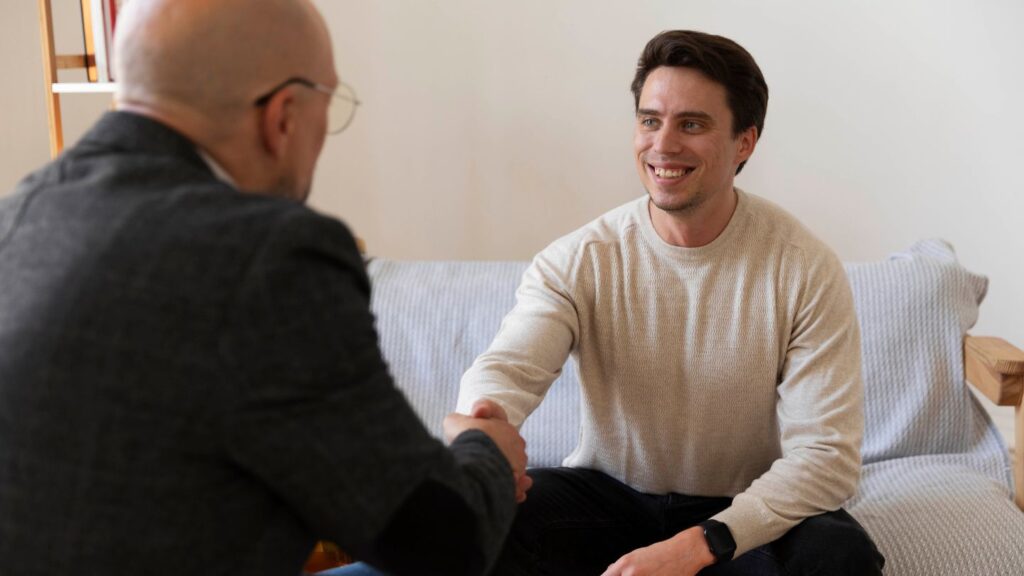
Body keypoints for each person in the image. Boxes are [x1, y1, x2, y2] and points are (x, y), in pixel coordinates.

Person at [0, 1, 528, 575]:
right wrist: (488, 454)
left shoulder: (17, 216)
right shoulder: (268, 258)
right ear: (284, 117)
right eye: (332, 108)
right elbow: (441, 543)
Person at [457, 30, 886, 575]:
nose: (662, 145)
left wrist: (697, 547)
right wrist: (481, 421)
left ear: (745, 143)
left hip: (736, 514)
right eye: (649, 120)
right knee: (480, 522)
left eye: (692, 124)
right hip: (605, 499)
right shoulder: (579, 259)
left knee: (838, 556)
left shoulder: (803, 267)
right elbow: (507, 369)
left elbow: (826, 458)